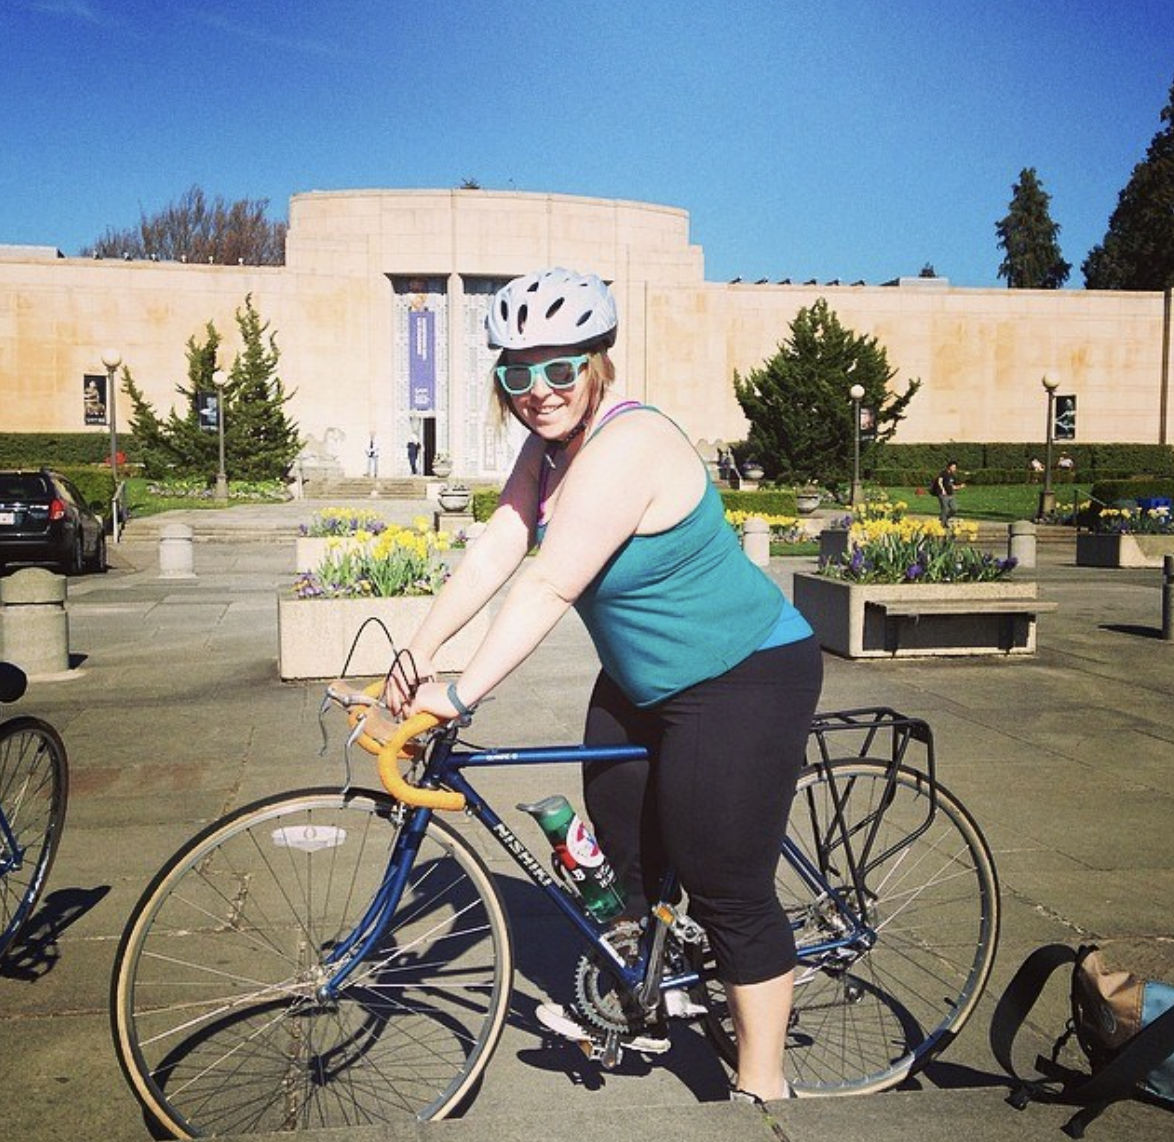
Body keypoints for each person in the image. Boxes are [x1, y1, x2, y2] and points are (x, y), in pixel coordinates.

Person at [394, 267, 823, 1103]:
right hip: (641, 678)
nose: (539, 390)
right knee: (622, 842)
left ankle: (763, 1092)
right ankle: (650, 998)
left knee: (725, 879)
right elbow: (496, 548)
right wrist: (413, 658)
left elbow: (548, 585)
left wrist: (458, 694)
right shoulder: (547, 447)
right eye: (518, 373)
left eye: (560, 368)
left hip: (741, 673)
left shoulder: (630, 445)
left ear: (597, 365)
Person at [931, 459, 964, 528]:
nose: (955, 469)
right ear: (949, 467)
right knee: (945, 509)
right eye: (953, 467)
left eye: (955, 467)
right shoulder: (943, 473)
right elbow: (939, 481)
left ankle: (944, 519)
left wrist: (960, 487)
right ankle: (942, 525)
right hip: (943, 495)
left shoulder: (952, 475)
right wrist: (942, 489)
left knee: (955, 508)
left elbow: (953, 486)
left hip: (951, 495)